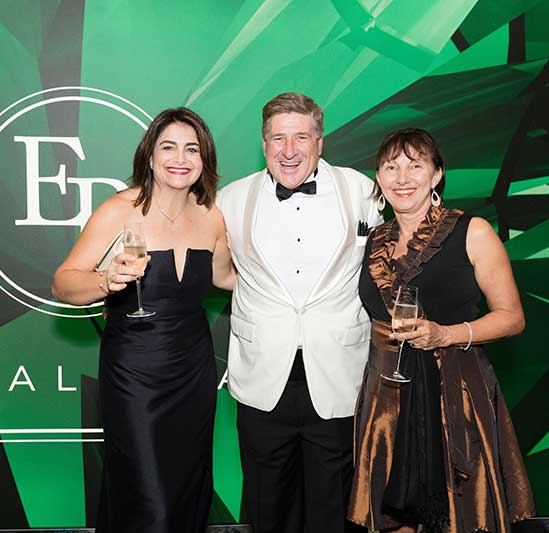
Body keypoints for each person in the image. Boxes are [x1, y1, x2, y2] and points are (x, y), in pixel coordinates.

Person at [52, 107, 235, 532]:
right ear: (149, 156)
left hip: (193, 372)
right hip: (134, 374)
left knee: (188, 489)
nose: (180, 158)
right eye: (168, 147)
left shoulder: (210, 215)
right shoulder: (119, 210)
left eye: (192, 149)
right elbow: (63, 283)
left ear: (204, 160)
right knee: (148, 498)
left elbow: (226, 277)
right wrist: (106, 280)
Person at [347, 128, 535, 532]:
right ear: (378, 178)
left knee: (459, 514)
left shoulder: (472, 231)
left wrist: (445, 334)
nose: (402, 178)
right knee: (390, 517)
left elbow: (512, 317)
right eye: (391, 167)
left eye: (415, 166)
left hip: (455, 395)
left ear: (436, 175)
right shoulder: (374, 240)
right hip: (387, 400)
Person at [217, 92, 381, 532]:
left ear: (320, 142)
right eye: (278, 138)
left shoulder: (362, 191)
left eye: (301, 137)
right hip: (262, 377)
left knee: (335, 506)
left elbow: (394, 260)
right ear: (264, 144)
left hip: (339, 374)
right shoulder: (230, 199)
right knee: (267, 504)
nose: (289, 150)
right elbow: (217, 272)